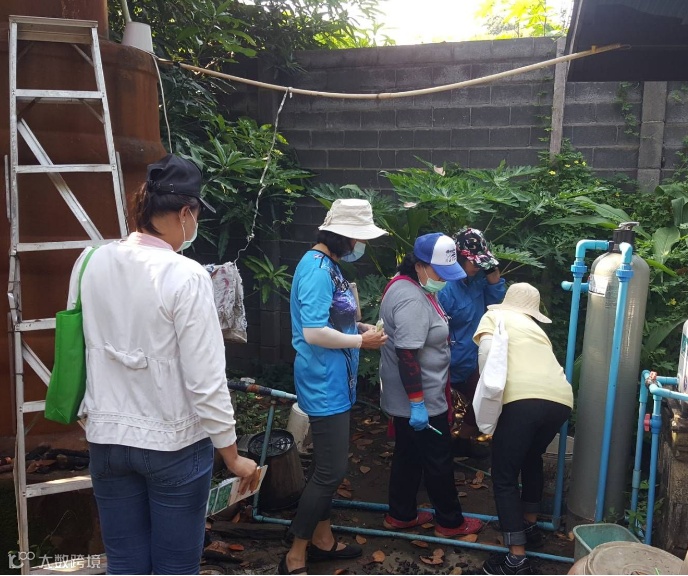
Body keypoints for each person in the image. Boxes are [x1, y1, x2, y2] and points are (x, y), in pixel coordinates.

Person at [72, 154, 260, 575]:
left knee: (125, 562)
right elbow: (206, 379)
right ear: (185, 212)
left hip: (107, 437)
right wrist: (232, 456)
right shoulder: (186, 275)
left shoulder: (89, 261)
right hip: (173, 444)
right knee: (175, 566)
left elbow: (79, 346)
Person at [284, 198, 389, 575]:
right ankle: (295, 553)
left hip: (335, 379)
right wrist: (362, 342)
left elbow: (331, 319)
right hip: (322, 381)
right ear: (342, 236)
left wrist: (357, 328)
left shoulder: (329, 266)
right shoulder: (316, 270)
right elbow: (313, 332)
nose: (361, 245)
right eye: (358, 238)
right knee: (331, 471)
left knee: (324, 467)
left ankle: (323, 539)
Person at [379, 233, 484, 538]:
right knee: (438, 459)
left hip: (417, 393)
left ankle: (401, 514)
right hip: (420, 396)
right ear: (420, 265)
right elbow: (407, 354)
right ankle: (450, 523)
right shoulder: (411, 298)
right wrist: (417, 403)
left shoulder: (415, 285)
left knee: (408, 454)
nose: (444, 279)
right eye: (440, 273)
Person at [473, 283, 573, 575]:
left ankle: (516, 558)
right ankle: (529, 526)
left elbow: (487, 357)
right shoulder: (537, 331)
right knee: (531, 458)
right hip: (561, 401)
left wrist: (488, 405)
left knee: (503, 475)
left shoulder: (495, 317)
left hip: (522, 401)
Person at [438, 227, 506, 458]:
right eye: (473, 261)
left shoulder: (478, 280)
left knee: (486, 401)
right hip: (448, 361)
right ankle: (440, 451)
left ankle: (463, 440)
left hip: (475, 357)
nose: (477, 266)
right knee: (441, 412)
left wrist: (494, 281)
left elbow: (495, 310)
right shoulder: (445, 288)